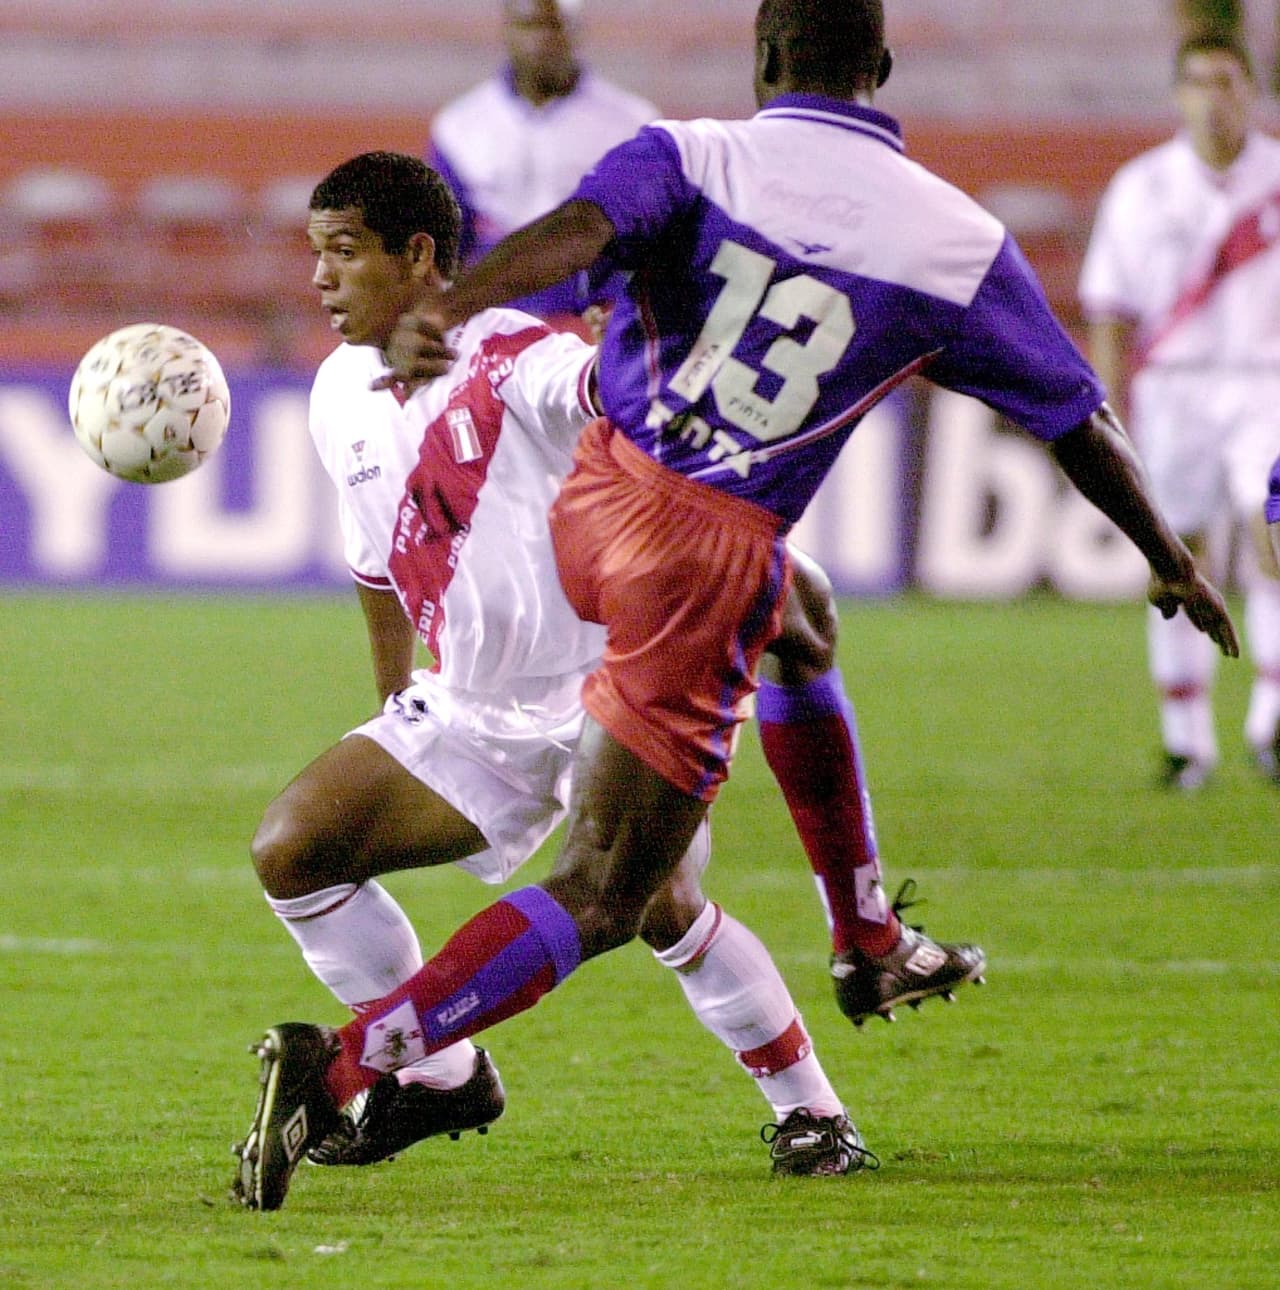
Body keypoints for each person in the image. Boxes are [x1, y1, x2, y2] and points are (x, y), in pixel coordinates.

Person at [232, 0, 1238, 1213]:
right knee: (613, 876)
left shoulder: (688, 155)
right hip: (687, 553)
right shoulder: (955, 239)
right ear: (878, 67)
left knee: (736, 730)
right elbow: (1073, 416)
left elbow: (572, 237)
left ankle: (845, 997)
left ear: (762, 60)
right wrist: (1167, 556)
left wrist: (459, 311)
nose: (326, 275)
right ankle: (379, 1057)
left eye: (345, 252)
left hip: (612, 511)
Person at [230, 149, 902, 1210]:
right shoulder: (332, 395)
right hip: (471, 710)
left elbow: (608, 395)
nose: (321, 278)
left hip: (610, 694)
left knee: (662, 906)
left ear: (418, 258)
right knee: (293, 850)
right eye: (315, 253)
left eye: (345, 253)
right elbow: (374, 564)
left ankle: (811, 1112)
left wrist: (641, 356)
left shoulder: (511, 356)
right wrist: (391, 697)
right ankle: (440, 1079)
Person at [1079, 31, 1280, 789]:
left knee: (1273, 530)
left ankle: (1270, 720)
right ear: (1177, 95)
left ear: (1250, 92)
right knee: (1177, 554)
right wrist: (1103, 408)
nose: (1212, 97)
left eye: (1227, 82)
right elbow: (1109, 307)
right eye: (1197, 82)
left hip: (1267, 383)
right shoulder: (1143, 187)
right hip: (1172, 389)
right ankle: (1186, 738)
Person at [425, 0, 657, 320]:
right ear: (507, 31)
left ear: (577, 32)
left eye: (553, 26)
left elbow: (649, 233)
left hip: (594, 309)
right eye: (529, 25)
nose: (541, 40)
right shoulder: (459, 124)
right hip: (496, 308)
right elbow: (447, 239)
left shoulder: (630, 122)